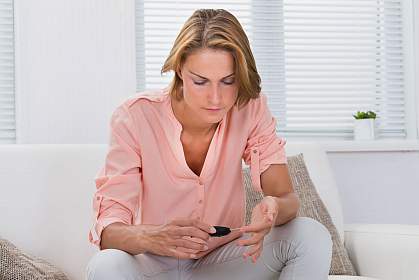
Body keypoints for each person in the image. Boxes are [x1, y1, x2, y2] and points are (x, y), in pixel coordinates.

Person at [86, 8, 332, 280]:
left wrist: (273, 208)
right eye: (200, 81)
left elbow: (287, 199)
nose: (216, 98)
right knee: (105, 265)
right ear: (179, 69)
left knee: (311, 236)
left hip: (221, 263)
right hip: (152, 265)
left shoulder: (250, 108)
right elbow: (108, 231)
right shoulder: (134, 116)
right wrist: (153, 236)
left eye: (228, 81)